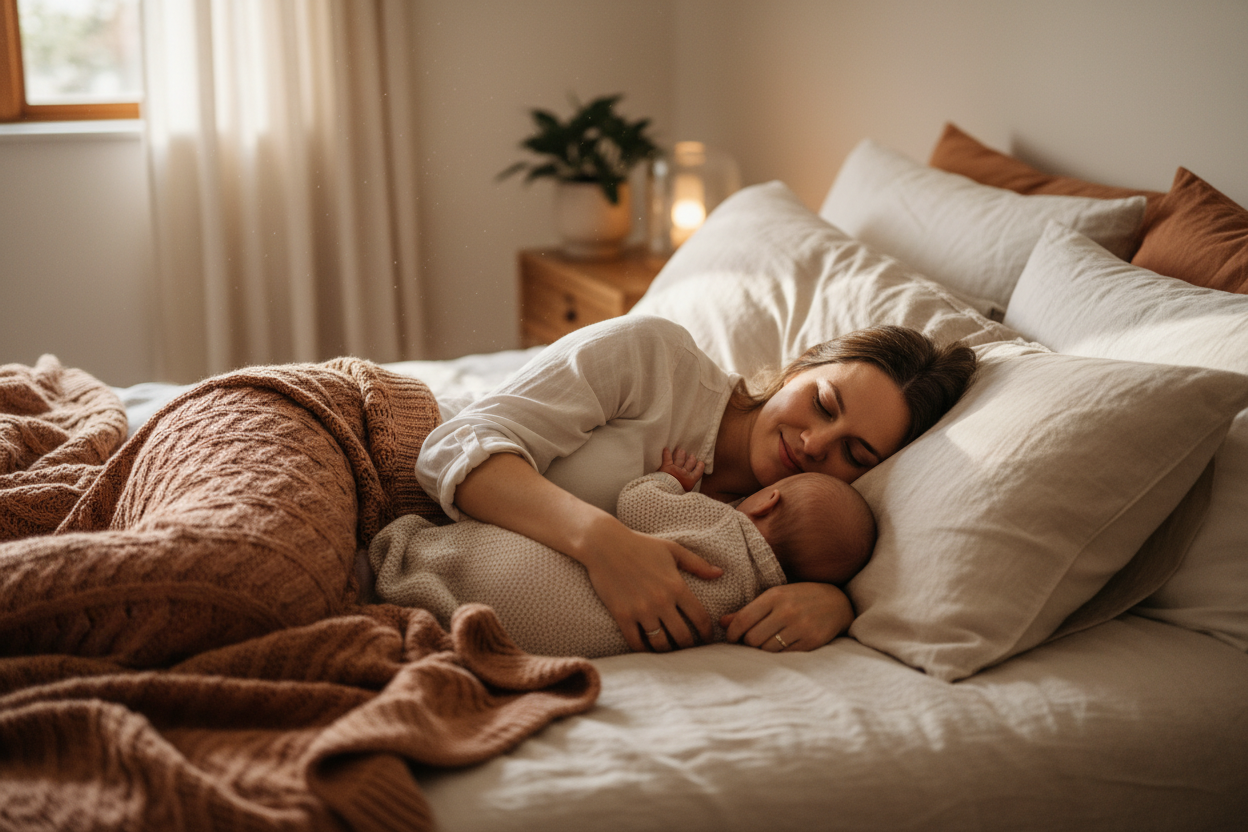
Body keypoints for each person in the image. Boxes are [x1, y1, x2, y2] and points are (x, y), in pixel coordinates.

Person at [416, 314, 976, 654]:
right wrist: (603, 542)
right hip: (375, 451)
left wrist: (838, 602)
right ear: (800, 368)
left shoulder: (767, 527)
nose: (814, 446)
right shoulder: (656, 358)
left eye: (854, 454)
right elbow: (452, 446)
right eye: (823, 404)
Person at [369, 448, 876, 657]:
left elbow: (637, 506)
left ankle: (412, 560)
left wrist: (671, 483)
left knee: (491, 555)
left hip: (502, 570)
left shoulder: (720, 521)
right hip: (525, 637)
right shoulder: (752, 606)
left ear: (769, 498)